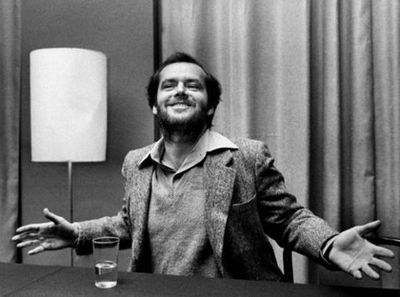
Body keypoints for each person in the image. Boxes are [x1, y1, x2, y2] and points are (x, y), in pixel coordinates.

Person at [13, 52, 394, 281]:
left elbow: (290, 220)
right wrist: (77, 233)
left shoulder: (245, 156)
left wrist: (328, 243)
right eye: (169, 86)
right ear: (154, 105)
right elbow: (129, 224)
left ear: (210, 105)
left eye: (192, 86)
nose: (180, 90)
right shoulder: (136, 163)